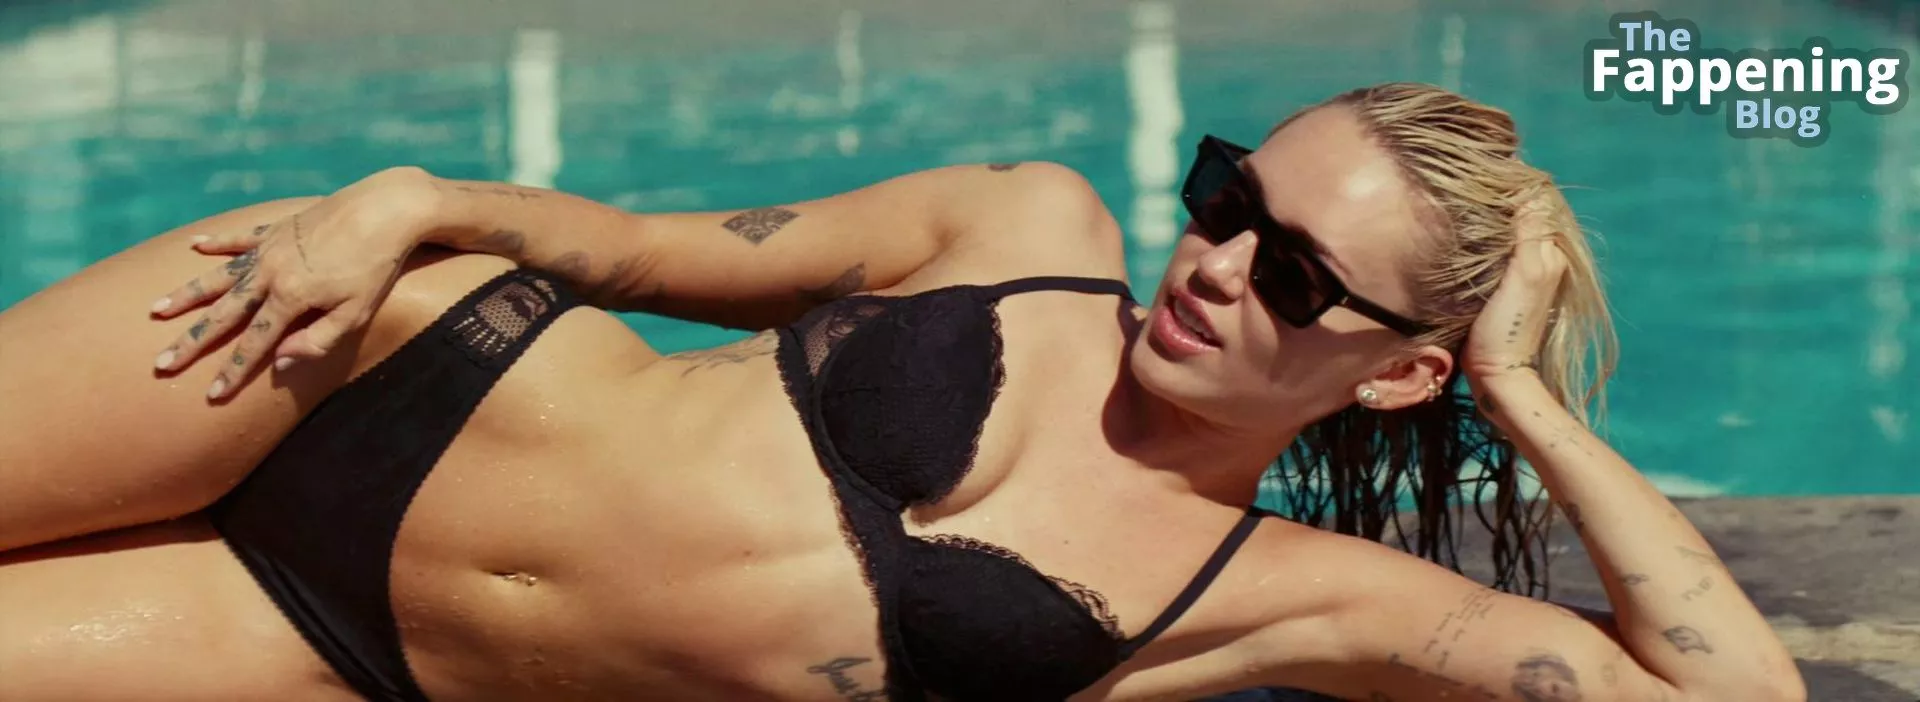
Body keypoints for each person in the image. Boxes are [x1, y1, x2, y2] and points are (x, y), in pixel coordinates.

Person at [0, 83, 1803, 702]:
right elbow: (635, 252)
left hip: (333, 649)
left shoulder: (1289, 595)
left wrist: (1524, 397)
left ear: (1402, 368)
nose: (1215, 263)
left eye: (1296, 276)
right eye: (1230, 198)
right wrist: (416, 201)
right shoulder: (1025, 230)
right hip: (344, 355)